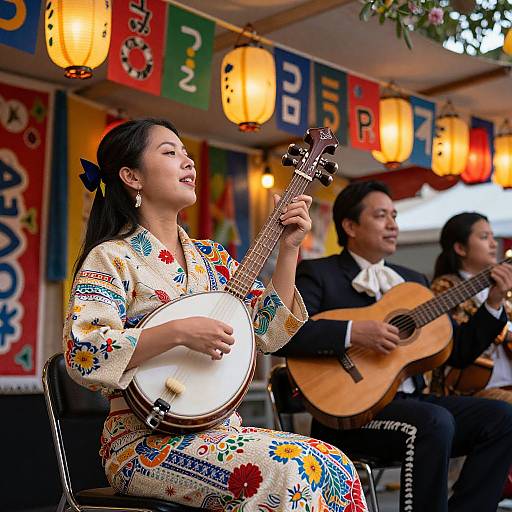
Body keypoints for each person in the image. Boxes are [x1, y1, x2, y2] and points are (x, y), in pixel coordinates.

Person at [63, 118, 366, 511]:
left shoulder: (212, 258)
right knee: (289, 472)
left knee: (335, 464)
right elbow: (83, 353)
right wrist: (177, 332)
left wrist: (289, 248)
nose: (187, 162)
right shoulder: (111, 257)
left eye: (187, 154)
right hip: (142, 443)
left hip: (221, 432)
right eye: (170, 153)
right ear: (131, 176)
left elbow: (268, 334)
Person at [276, 180, 512, 512]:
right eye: (381, 215)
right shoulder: (320, 273)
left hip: (414, 403)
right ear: (350, 225)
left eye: (395, 215)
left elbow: (455, 351)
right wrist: (353, 332)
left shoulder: (414, 280)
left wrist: (494, 303)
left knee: (502, 417)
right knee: (434, 421)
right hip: (351, 414)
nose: (393, 225)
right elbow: (287, 335)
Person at [431, 212, 512, 400]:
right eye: (484, 237)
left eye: (493, 236)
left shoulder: (502, 287)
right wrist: (504, 332)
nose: (493, 243)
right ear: (460, 248)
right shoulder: (445, 287)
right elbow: (459, 340)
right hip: (470, 391)